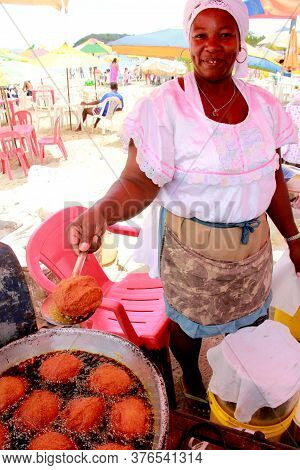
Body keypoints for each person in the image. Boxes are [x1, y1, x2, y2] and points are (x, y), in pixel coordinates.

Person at [69, 0, 300, 403]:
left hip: (254, 250)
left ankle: (242, 390)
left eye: (224, 35)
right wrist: (100, 213)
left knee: (252, 326)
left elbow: (273, 177)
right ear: (189, 42)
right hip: (194, 251)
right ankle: (192, 380)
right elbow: (137, 181)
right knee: (187, 329)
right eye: (201, 35)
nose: (212, 45)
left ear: (239, 42)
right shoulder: (163, 107)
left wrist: (294, 239)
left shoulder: (265, 106)